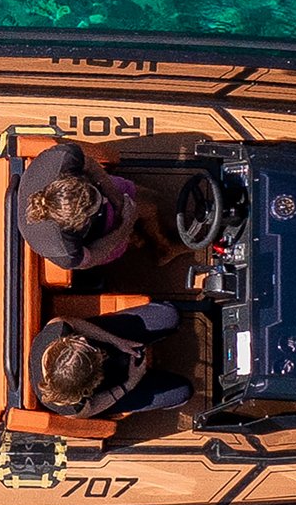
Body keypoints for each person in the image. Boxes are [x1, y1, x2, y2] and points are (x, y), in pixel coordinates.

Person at [31, 302, 192, 418]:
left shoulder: (56, 331)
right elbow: (93, 407)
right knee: (183, 392)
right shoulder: (71, 406)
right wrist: (130, 383)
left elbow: (76, 325)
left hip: (105, 337)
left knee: (170, 315)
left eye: (79, 341)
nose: (83, 339)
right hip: (112, 386)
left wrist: (116, 341)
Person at [19, 141, 141, 271]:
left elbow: (90, 165)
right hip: (91, 239)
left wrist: (116, 199)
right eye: (96, 208)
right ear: (76, 224)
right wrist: (124, 227)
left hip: (102, 186)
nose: (105, 201)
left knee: (147, 201)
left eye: (94, 192)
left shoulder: (64, 157)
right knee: (123, 244)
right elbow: (92, 257)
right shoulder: (64, 251)